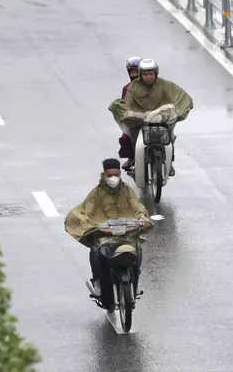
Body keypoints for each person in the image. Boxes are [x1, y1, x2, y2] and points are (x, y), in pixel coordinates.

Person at [64, 158, 153, 297]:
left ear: (120, 174)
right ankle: (98, 280)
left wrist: (141, 219)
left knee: (137, 249)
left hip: (126, 231)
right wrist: (91, 225)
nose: (113, 178)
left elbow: (137, 207)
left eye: (116, 175)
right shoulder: (97, 193)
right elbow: (84, 211)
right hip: (104, 233)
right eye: (110, 175)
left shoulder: (127, 190)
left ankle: (135, 277)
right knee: (95, 250)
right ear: (104, 174)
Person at [110, 58, 194, 175]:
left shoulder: (166, 85)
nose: (148, 77)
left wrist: (179, 110)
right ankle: (134, 159)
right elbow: (127, 104)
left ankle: (169, 163)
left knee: (169, 137)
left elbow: (179, 96)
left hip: (161, 119)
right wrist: (131, 114)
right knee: (130, 138)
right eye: (145, 74)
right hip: (139, 121)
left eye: (151, 74)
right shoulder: (132, 87)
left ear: (156, 73)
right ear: (141, 75)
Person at [118, 57, 142, 163]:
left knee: (168, 134)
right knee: (125, 138)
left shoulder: (156, 86)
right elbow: (124, 105)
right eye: (132, 72)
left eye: (137, 72)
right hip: (136, 120)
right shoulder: (127, 88)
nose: (135, 74)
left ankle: (168, 159)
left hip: (155, 118)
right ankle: (131, 158)